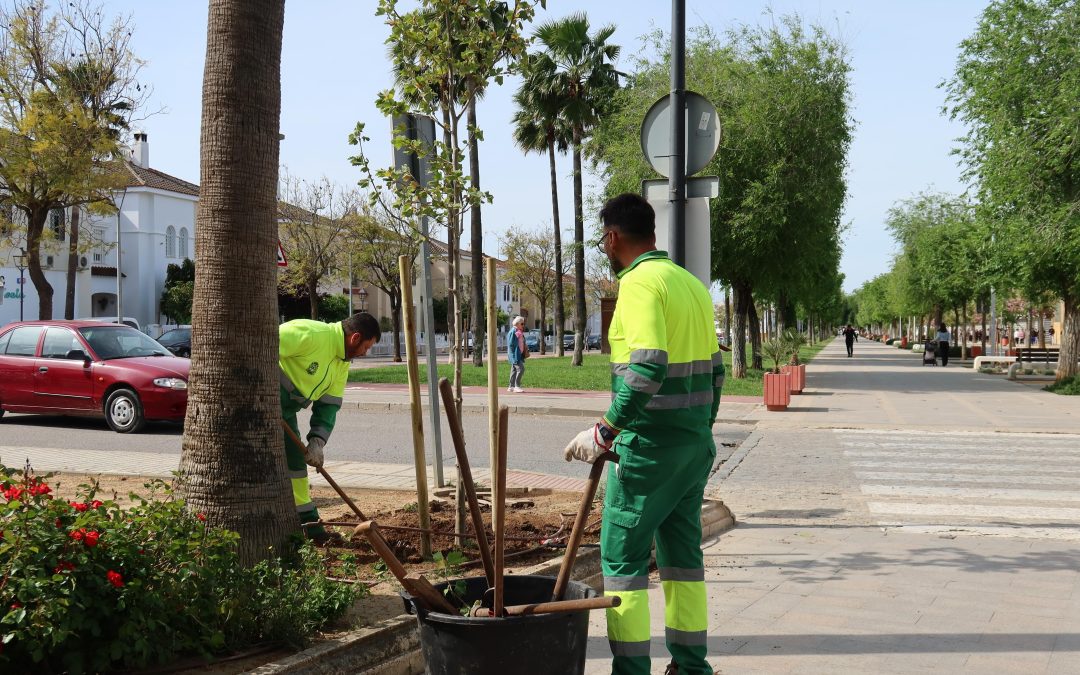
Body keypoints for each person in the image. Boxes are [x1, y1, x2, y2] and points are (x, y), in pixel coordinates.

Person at [563, 193, 722, 675]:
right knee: (682, 561)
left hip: (648, 451)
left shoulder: (637, 285)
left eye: (603, 241)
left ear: (612, 238)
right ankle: (691, 667)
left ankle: (632, 672)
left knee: (622, 563)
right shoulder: (691, 286)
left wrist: (605, 430)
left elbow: (648, 367)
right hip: (692, 448)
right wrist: (698, 430)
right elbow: (716, 373)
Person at [279, 312, 380, 543]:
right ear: (355, 338)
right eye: (366, 347)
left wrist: (317, 441)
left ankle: (310, 527)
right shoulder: (310, 334)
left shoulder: (342, 363)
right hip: (263, 403)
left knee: (296, 465)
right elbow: (262, 348)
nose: (365, 353)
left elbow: (329, 405)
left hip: (286, 413)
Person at [506, 316, 527, 393]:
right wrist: (514, 355)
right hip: (515, 355)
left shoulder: (518, 331)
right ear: (517, 323)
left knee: (514, 370)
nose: (523, 325)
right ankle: (516, 386)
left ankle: (511, 386)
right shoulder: (513, 331)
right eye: (522, 324)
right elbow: (511, 344)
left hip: (517, 354)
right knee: (521, 369)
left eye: (523, 324)